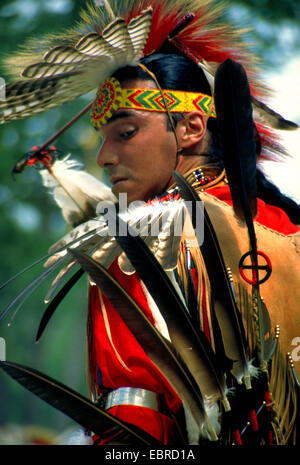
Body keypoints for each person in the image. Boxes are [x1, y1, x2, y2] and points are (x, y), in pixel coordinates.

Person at [1, 0, 299, 446]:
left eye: (125, 133)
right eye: (104, 139)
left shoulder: (139, 244)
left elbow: (133, 429)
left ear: (191, 128)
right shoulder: (288, 227)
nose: (103, 157)